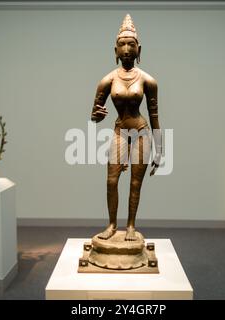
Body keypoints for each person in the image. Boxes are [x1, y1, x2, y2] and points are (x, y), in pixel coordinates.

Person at [90, 14, 162, 241]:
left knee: (135, 182)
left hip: (141, 132)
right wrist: (96, 116)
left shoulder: (148, 81)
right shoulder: (107, 80)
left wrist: (159, 149)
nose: (127, 49)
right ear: (115, 50)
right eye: (122, 44)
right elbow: (94, 114)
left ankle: (130, 226)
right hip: (120, 131)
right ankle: (112, 224)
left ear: (139, 49)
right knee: (111, 180)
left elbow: (154, 115)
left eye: (131, 44)